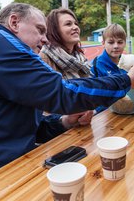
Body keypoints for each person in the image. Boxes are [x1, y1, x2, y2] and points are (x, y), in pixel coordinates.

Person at [0, 3, 134, 200]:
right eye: (40, 30)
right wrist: (127, 80)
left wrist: (64, 123)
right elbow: (63, 92)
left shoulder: (4, 55)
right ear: (14, 22)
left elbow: (23, 125)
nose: (45, 38)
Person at [37, 8, 93, 143]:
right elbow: (44, 106)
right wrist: (68, 118)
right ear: (55, 31)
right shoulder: (43, 58)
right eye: (68, 24)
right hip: (58, 135)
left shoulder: (79, 58)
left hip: (84, 129)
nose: (75, 27)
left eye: (76, 24)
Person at [91, 23, 128, 112]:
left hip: (127, 109)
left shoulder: (128, 62)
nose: (116, 46)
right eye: (111, 42)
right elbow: (94, 97)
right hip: (104, 113)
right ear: (103, 43)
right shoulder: (97, 66)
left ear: (125, 43)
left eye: (120, 42)